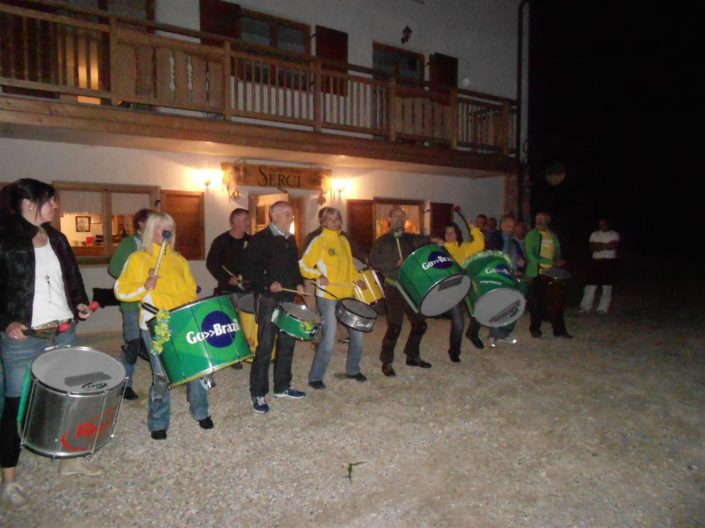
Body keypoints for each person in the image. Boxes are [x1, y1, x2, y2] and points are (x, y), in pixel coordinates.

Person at [0, 179, 99, 508]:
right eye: (50, 201)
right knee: (15, 408)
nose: (56, 207)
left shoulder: (57, 237)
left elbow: (72, 277)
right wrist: (5, 322)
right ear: (28, 203)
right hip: (24, 338)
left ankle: (68, 460)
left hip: (62, 331)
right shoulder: (5, 238)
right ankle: (9, 481)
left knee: (68, 399)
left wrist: (80, 302)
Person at [114, 212, 213, 440]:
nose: (167, 233)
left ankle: (200, 411)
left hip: (181, 320)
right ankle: (158, 421)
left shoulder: (179, 260)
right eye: (161, 229)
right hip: (154, 323)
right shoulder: (139, 259)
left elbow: (190, 289)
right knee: (161, 375)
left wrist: (189, 309)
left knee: (196, 368)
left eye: (170, 229)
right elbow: (121, 290)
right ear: (150, 231)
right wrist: (144, 286)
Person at [240, 201, 306, 413]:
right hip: (268, 299)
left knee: (288, 343)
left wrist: (299, 282)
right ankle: (258, 392)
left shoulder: (290, 238)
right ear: (274, 215)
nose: (291, 218)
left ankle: (282, 386)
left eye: (291, 214)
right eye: (287, 214)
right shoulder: (260, 240)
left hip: (288, 298)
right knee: (266, 346)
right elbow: (249, 270)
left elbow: (294, 265)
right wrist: (269, 283)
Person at [299, 207, 368, 388]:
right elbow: (303, 265)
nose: (335, 222)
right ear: (323, 222)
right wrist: (318, 275)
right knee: (329, 338)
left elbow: (350, 266)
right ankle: (315, 377)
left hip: (347, 294)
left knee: (358, 334)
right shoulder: (318, 241)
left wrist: (357, 279)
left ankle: (353, 370)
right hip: (328, 296)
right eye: (330, 219)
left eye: (337, 219)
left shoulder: (344, 240)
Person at [369, 206, 433, 377]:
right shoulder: (381, 241)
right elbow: (374, 261)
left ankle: (412, 356)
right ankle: (387, 361)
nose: (400, 220)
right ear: (389, 220)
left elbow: (424, 240)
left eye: (402, 217)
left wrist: (435, 240)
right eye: (397, 217)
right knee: (395, 327)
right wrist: (393, 262)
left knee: (420, 324)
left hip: (411, 287)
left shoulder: (410, 239)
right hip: (393, 287)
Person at [108, 208, 154, 400]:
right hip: (134, 305)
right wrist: (139, 282)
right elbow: (114, 269)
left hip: (154, 305)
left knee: (156, 344)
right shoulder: (129, 243)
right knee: (133, 344)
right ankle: (125, 384)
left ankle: (161, 378)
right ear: (142, 224)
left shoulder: (157, 244)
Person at [525, 211, 572, 338]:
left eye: (542, 219)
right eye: (537, 218)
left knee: (557, 303)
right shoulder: (531, 235)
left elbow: (557, 251)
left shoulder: (552, 236)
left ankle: (559, 331)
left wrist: (559, 261)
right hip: (537, 274)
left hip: (551, 274)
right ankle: (535, 330)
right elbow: (531, 256)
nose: (539, 221)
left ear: (548, 220)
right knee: (537, 304)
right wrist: (551, 262)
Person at [442, 221, 484, 360]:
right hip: (453, 289)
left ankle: (472, 333)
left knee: (481, 310)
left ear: (457, 234)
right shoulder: (441, 249)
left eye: (452, 232)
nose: (449, 235)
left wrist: (473, 228)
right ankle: (454, 352)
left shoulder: (465, 247)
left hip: (468, 285)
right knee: (459, 323)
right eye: (447, 232)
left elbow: (480, 244)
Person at [486, 214, 525, 348]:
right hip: (500, 275)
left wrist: (521, 263)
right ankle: (494, 334)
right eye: (508, 226)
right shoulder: (495, 239)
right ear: (501, 225)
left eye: (512, 226)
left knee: (513, 305)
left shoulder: (514, 242)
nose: (510, 228)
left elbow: (520, 260)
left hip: (513, 276)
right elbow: (491, 258)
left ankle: (503, 332)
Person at [206, 208, 251, 298]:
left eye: (248, 219)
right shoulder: (221, 241)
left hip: (249, 290)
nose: (248, 223)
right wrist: (228, 279)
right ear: (235, 221)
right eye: (245, 219)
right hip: (228, 290)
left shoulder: (252, 241)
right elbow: (212, 264)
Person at [579, 218, 619, 314]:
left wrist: (599, 245)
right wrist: (605, 246)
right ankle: (585, 307)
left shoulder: (614, 234)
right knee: (590, 284)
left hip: (609, 262)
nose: (602, 225)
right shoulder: (594, 234)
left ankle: (602, 308)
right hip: (595, 261)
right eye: (600, 224)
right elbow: (591, 247)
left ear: (608, 224)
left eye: (604, 223)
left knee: (607, 286)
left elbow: (612, 246)